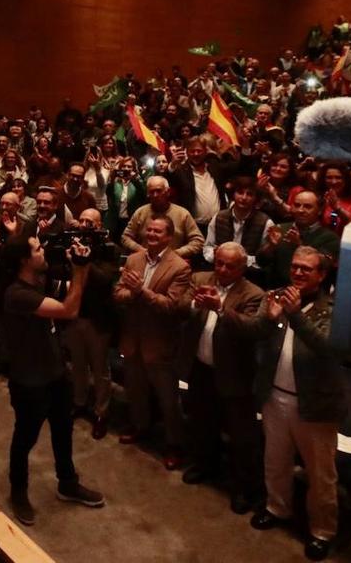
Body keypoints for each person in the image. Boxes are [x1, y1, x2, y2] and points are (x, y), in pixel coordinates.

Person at [0, 236, 104, 526]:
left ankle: (67, 482)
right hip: (30, 380)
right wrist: (80, 269)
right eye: (37, 249)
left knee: (63, 430)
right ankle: (18, 491)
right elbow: (68, 309)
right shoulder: (16, 294)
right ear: (24, 259)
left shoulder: (39, 281)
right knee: (25, 438)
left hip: (55, 373)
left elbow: (72, 293)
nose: (43, 251)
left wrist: (80, 266)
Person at [250, 246, 345, 562]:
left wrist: (293, 316)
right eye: (295, 267)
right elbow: (258, 336)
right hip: (275, 395)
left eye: (307, 268)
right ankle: (277, 507)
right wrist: (269, 319)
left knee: (321, 474)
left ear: (321, 275)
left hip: (315, 405)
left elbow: (328, 350)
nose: (299, 273)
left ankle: (322, 531)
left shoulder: (334, 308)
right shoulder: (276, 296)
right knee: (275, 460)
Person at [177, 243, 265, 514]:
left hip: (234, 375)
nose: (223, 270)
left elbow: (251, 329)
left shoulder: (254, 294)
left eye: (230, 266)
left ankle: (243, 489)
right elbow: (179, 306)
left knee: (241, 437)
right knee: (203, 423)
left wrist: (221, 308)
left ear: (243, 268)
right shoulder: (201, 279)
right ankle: (205, 466)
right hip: (201, 368)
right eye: (219, 263)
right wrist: (195, 303)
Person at [115, 215, 191, 470]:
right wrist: (132, 293)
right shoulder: (134, 259)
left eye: (158, 232)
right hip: (132, 338)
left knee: (168, 400)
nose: (151, 235)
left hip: (160, 343)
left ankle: (175, 445)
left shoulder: (180, 267)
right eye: (149, 230)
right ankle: (141, 427)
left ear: (169, 237)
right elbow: (118, 292)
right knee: (135, 391)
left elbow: (171, 305)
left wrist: (140, 292)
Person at [62, 209, 120, 440]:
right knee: (77, 363)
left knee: (100, 369)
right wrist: (73, 259)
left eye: (90, 222)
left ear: (99, 225)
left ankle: (101, 412)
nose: (84, 224)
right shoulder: (71, 243)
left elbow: (104, 280)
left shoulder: (110, 249)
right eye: (82, 220)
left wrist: (82, 262)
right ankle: (79, 402)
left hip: (98, 317)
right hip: (75, 313)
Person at [258, 190, 340, 287]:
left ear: (320, 210)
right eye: (297, 205)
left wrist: (299, 245)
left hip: (311, 294)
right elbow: (260, 261)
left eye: (307, 206)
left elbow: (323, 268)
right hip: (278, 290)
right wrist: (270, 246)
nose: (300, 210)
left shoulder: (331, 238)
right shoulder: (280, 229)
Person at [120, 175, 204, 260]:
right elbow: (125, 237)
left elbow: (198, 241)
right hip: (145, 261)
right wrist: (142, 250)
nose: (155, 195)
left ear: (167, 192)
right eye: (151, 192)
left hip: (172, 262)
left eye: (159, 191)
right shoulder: (140, 213)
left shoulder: (182, 214)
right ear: (148, 194)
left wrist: (177, 253)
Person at [202, 176, 272, 274]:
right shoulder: (219, 217)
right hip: (221, 271)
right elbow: (207, 247)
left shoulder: (265, 222)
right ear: (233, 195)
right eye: (240, 192)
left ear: (255, 198)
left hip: (250, 274)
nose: (244, 198)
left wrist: (239, 261)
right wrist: (215, 255)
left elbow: (263, 259)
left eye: (249, 194)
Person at [315, 160, 351, 235]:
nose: (334, 182)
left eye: (338, 177)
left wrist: (338, 209)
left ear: (346, 179)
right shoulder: (319, 196)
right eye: (329, 177)